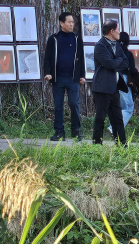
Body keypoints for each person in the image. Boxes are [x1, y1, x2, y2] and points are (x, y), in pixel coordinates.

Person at [43, 12, 85, 142]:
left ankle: (76, 131)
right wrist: (47, 72)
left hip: (73, 78)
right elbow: (47, 58)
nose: (72, 24)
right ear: (62, 23)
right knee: (58, 106)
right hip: (58, 78)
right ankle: (59, 132)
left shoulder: (77, 38)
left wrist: (82, 75)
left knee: (74, 104)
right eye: (69, 22)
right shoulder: (54, 39)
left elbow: (81, 58)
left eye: (73, 22)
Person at [91, 20, 129, 146]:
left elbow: (126, 62)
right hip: (102, 88)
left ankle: (122, 145)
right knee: (100, 118)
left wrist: (115, 62)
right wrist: (117, 61)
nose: (120, 32)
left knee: (118, 118)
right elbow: (109, 63)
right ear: (112, 31)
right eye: (118, 29)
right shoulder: (100, 46)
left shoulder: (117, 45)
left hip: (114, 88)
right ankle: (97, 145)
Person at [108, 31, 135, 134]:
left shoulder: (112, 51)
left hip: (111, 78)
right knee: (128, 107)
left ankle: (112, 126)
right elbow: (132, 70)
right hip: (122, 79)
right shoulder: (127, 54)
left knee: (115, 105)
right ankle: (113, 127)